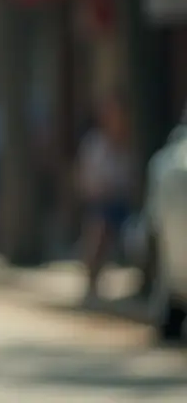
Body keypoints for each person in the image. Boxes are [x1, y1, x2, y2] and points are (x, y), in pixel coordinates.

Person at [76, 93, 135, 303]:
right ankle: (92, 280)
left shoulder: (131, 145)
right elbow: (86, 184)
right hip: (103, 205)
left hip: (127, 205)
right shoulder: (94, 145)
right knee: (98, 224)